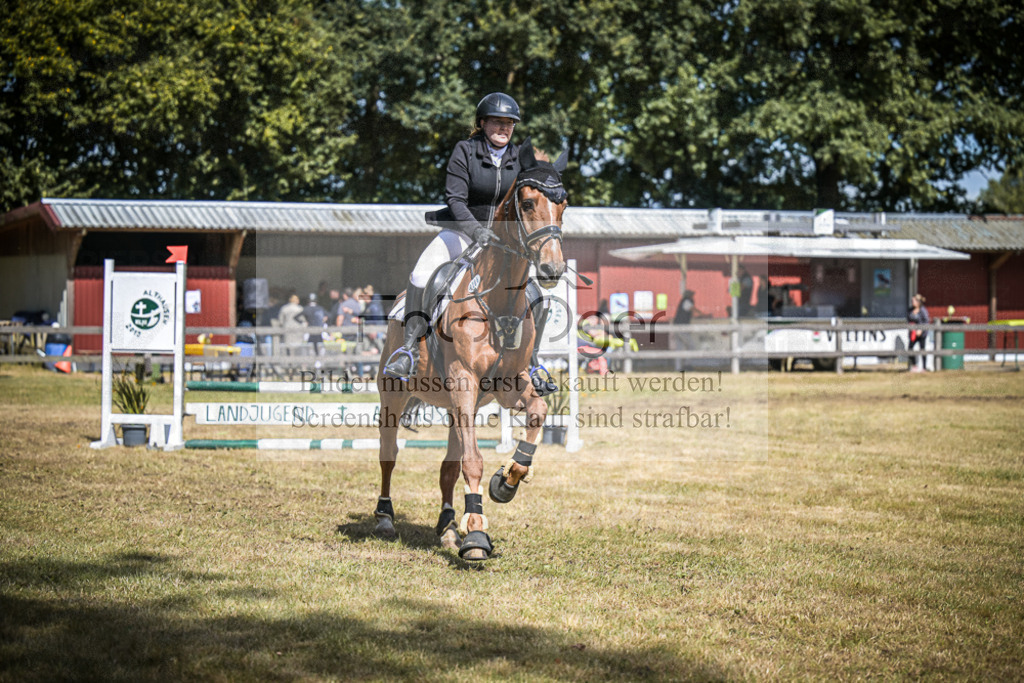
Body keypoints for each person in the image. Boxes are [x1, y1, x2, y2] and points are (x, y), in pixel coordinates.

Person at [383, 92, 555, 396]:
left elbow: (533, 191)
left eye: (509, 123)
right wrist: (475, 231)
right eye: (498, 122)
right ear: (482, 123)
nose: (504, 128)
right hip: (462, 230)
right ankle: (407, 351)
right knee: (422, 275)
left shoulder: (518, 156)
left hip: (503, 241)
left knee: (534, 294)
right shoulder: (465, 150)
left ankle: (534, 360)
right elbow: (455, 199)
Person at [907, 293, 930, 371]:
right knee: (910, 348)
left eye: (914, 300)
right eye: (912, 301)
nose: (912, 302)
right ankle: (914, 365)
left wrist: (921, 329)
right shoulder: (910, 310)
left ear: (918, 302)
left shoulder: (923, 311)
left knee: (922, 349)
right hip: (913, 333)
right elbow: (908, 320)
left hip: (921, 333)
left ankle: (924, 367)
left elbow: (926, 321)